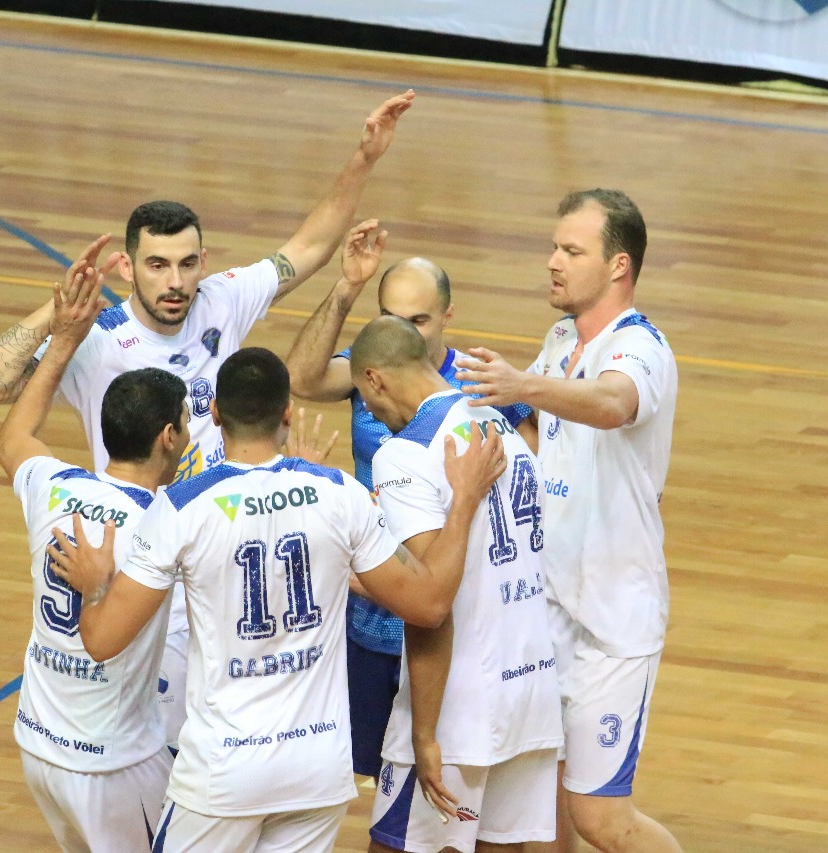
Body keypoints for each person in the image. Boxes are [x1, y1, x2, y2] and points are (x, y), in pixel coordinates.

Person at [0, 89, 416, 747]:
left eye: (185, 263)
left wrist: (364, 156)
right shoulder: (95, 340)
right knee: (161, 746)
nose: (174, 280)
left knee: (230, 731)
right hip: (143, 566)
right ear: (129, 267)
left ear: (203, 261)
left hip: (224, 551)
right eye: (156, 265)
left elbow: (311, 244)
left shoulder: (223, 299)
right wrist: (54, 313)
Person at [45, 346, 507, 853]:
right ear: (287, 412)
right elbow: (429, 605)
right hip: (316, 769)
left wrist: (94, 589)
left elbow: (104, 640)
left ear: (215, 414)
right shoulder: (339, 493)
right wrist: (464, 499)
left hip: (224, 773)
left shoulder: (180, 507)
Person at [456, 189, 682, 853]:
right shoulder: (560, 338)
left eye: (571, 250)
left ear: (618, 266)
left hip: (614, 617)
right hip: (547, 603)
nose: (552, 261)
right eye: (554, 246)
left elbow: (611, 404)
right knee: (541, 805)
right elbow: (544, 428)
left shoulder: (640, 349)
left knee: (599, 818)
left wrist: (522, 385)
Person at [283, 221, 536, 781]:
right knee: (376, 771)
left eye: (419, 319)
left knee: (433, 775)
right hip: (372, 614)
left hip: (446, 623)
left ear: (448, 314)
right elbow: (300, 376)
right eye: (395, 319)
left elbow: (529, 493)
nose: (410, 334)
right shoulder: (373, 365)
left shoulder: (482, 387)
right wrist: (346, 286)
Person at [347, 316, 562, 853]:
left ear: (374, 379)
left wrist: (423, 735)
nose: (370, 413)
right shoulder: (501, 426)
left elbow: (427, 605)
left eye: (366, 399)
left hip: (459, 705)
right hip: (529, 688)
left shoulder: (404, 455)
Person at [0, 257, 188, 850]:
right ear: (169, 437)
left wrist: (63, 344)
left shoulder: (56, 486)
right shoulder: (164, 523)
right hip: (111, 762)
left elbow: (14, 439)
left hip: (38, 743)